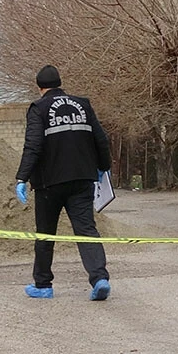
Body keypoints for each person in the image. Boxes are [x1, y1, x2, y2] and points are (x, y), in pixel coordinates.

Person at [14, 65, 113, 301]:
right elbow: (101, 138)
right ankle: (99, 278)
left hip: (49, 183)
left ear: (39, 87)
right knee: (86, 230)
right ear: (60, 83)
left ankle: (43, 284)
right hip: (82, 178)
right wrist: (103, 167)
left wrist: (22, 177)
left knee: (46, 233)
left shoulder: (39, 108)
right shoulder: (83, 104)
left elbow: (33, 145)